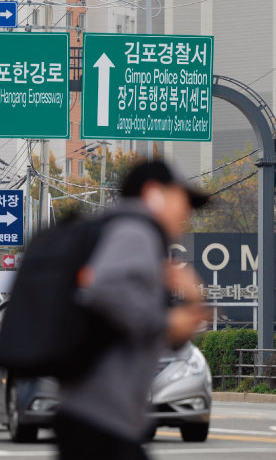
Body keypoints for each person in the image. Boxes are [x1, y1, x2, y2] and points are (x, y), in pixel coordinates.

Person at [53, 160, 209, 460]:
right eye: (182, 201)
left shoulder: (123, 231)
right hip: (100, 419)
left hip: (99, 417)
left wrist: (188, 306)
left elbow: (141, 330)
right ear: (154, 194)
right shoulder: (136, 232)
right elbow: (105, 289)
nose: (186, 214)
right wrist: (163, 323)